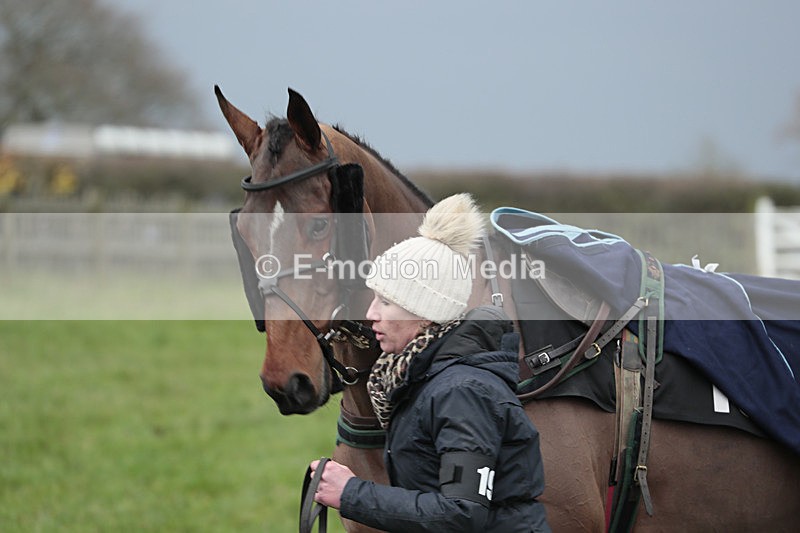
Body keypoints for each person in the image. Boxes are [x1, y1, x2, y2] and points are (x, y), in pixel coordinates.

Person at [308, 193, 550, 532]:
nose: (370, 314)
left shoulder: (463, 393)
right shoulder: (422, 379)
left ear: (425, 314)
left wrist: (351, 493)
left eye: (387, 302)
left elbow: (462, 512)